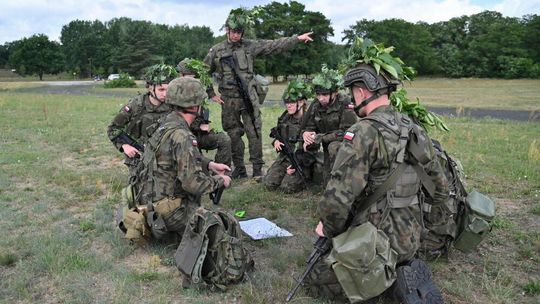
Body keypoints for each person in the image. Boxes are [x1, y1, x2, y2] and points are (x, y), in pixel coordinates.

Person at [306, 63, 449, 304]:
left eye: (352, 92)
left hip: (375, 244)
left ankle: (388, 285)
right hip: (411, 238)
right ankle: (404, 272)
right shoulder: (414, 129)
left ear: (361, 92)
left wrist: (327, 229)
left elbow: (338, 198)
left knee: (316, 279)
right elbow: (441, 190)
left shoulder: (363, 132)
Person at [204, 8, 314, 179]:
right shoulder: (216, 50)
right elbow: (203, 71)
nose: (236, 35)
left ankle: (257, 169)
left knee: (254, 133)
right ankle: (239, 168)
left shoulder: (250, 46)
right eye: (233, 31)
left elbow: (273, 45)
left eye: (239, 32)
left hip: (249, 98)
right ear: (227, 30)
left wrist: (296, 39)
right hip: (229, 101)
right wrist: (211, 92)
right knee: (233, 134)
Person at [135, 77, 232, 242]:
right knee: (222, 231)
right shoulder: (182, 135)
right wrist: (220, 181)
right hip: (168, 211)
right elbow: (192, 184)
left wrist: (209, 164)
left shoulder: (166, 123)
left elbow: (176, 157)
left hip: (150, 202)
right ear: (195, 106)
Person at [107, 64, 177, 178]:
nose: (165, 94)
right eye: (161, 89)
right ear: (150, 88)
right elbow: (113, 128)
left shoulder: (172, 106)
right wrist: (125, 145)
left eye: (168, 89)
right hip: (139, 156)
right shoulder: (136, 105)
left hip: (165, 157)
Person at [300, 65, 357, 186]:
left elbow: (348, 132)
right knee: (327, 185)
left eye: (325, 95)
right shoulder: (316, 104)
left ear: (334, 93)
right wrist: (306, 134)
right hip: (327, 147)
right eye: (318, 95)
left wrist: (320, 137)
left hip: (346, 145)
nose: (321, 98)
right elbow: (309, 125)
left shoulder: (345, 103)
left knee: (333, 147)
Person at [177, 58, 232, 167]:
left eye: (193, 77)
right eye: (188, 77)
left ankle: (222, 171)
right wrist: (198, 127)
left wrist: (204, 126)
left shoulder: (199, 92)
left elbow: (207, 83)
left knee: (224, 139)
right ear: (180, 76)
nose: (191, 81)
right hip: (183, 135)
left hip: (200, 134)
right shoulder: (174, 95)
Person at [263, 79, 311, 193]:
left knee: (287, 187)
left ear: (301, 102)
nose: (288, 105)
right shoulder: (284, 118)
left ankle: (308, 176)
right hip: (285, 158)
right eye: (286, 102)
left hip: (302, 160)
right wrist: (276, 142)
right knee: (269, 184)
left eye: (292, 102)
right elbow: (278, 135)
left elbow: (311, 149)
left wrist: (296, 164)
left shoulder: (309, 121)